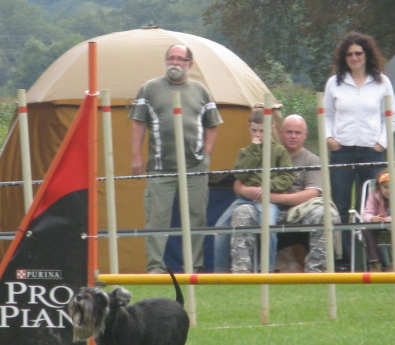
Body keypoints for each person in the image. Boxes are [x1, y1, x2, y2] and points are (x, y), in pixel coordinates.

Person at [129, 44, 222, 273]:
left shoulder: (201, 91)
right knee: (156, 218)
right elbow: (138, 123)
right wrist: (136, 155)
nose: (175, 63)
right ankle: (155, 268)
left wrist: (206, 153)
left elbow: (213, 124)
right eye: (171, 58)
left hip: (195, 167)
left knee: (196, 216)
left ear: (189, 64)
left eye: (180, 59)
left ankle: (194, 266)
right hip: (161, 168)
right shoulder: (149, 89)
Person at [213, 113, 339, 273]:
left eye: (297, 133)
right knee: (240, 213)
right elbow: (239, 180)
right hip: (259, 205)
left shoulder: (312, 160)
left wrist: (269, 196)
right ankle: (241, 272)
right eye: (289, 132)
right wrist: (247, 191)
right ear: (280, 132)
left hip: (298, 211)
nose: (293, 136)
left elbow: (312, 194)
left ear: (305, 135)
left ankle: (316, 272)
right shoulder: (263, 151)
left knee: (327, 214)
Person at [323, 32, 395, 270]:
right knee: (341, 205)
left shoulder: (382, 82)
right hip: (341, 151)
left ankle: (374, 259)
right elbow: (327, 114)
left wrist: (381, 144)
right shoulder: (334, 83)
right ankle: (344, 259)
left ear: (367, 54)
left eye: (358, 53)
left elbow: (392, 115)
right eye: (349, 54)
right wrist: (329, 138)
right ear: (343, 57)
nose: (354, 57)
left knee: (374, 206)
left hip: (371, 152)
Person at [223, 108, 294, 273]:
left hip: (267, 198)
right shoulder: (245, 152)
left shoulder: (279, 151)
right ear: (249, 127)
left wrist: (266, 187)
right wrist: (254, 151)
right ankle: (221, 270)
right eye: (254, 130)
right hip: (244, 199)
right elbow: (240, 173)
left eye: (262, 131)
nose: (258, 135)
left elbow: (287, 177)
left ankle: (267, 269)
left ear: (271, 129)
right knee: (220, 228)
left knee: (268, 227)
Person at [360, 170, 395, 271]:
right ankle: (375, 262)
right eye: (385, 187)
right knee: (366, 228)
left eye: (392, 187)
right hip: (379, 224)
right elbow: (366, 213)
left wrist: (390, 219)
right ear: (379, 187)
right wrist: (373, 218)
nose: (389, 191)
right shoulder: (374, 195)